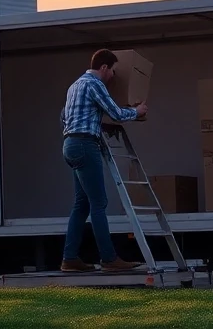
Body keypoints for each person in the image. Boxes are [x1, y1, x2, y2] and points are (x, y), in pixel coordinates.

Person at [59, 48, 148, 273]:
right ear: (104, 67)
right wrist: (137, 111)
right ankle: (109, 259)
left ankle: (69, 258)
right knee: (99, 204)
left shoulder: (75, 85)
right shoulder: (94, 84)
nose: (114, 77)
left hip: (70, 145)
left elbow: (64, 115)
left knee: (81, 204)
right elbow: (116, 114)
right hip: (85, 145)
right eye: (113, 72)